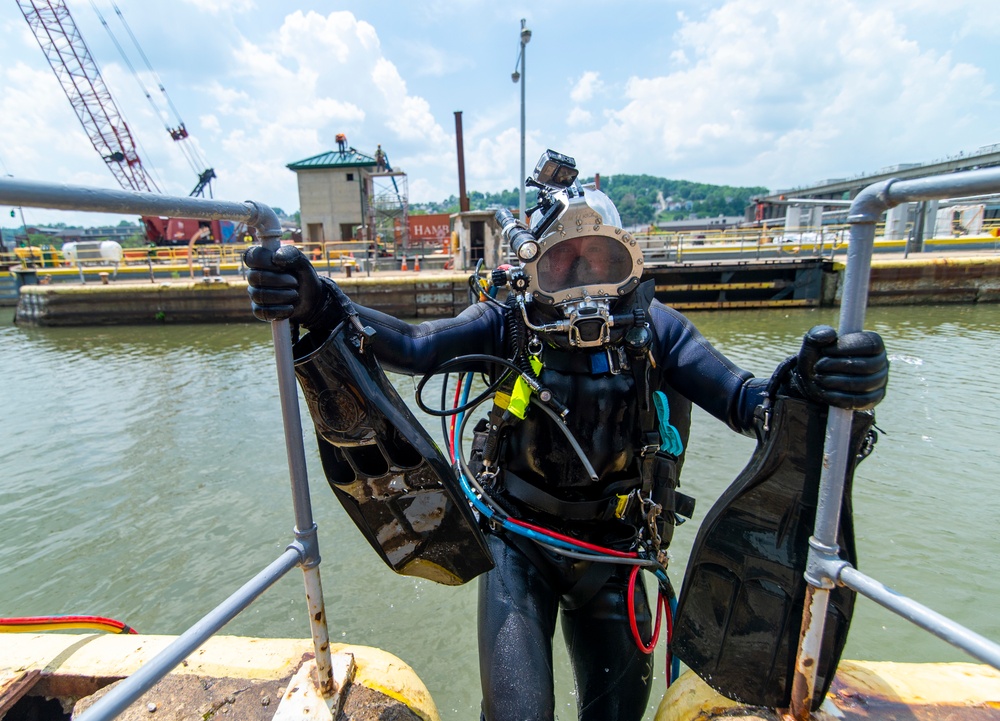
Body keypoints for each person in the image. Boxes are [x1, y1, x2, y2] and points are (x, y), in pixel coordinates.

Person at [244, 150, 888, 721]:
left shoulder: (657, 329)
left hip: (618, 554)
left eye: (601, 260)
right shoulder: (509, 323)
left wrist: (815, 386)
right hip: (518, 545)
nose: (584, 282)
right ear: (533, 271)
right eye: (563, 263)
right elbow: (414, 347)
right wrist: (320, 301)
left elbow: (752, 404)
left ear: (628, 265)